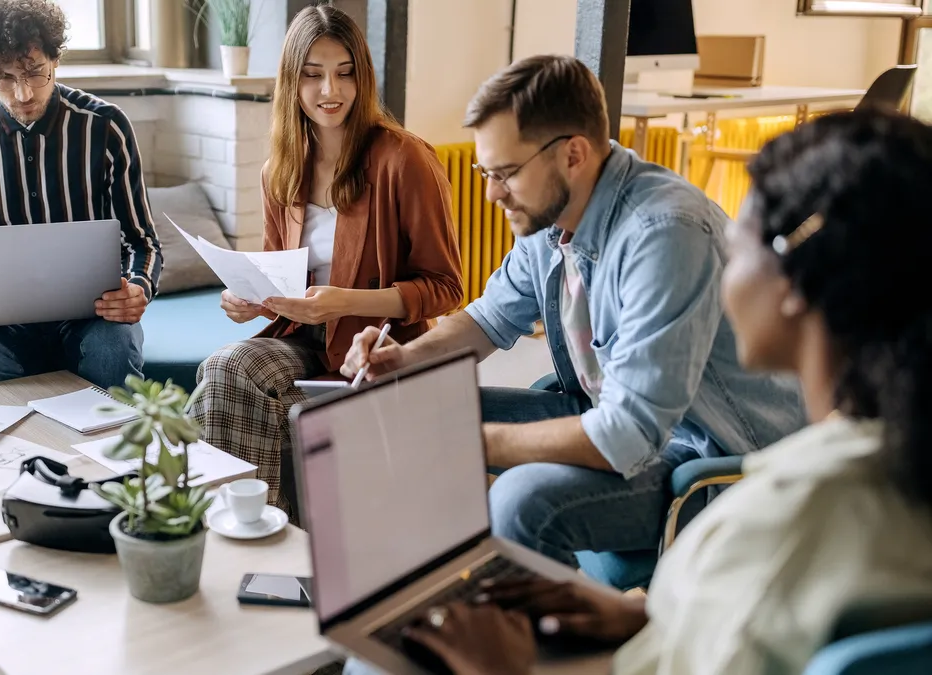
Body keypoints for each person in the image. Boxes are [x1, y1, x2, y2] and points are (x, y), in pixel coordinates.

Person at [349, 109, 932, 675]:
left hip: (680, 441)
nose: (721, 267)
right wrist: (645, 615)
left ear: (795, 283)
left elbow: (632, 435)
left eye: (739, 242)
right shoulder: (878, 472)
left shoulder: (782, 522)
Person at [342, 54, 805, 566]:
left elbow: (630, 434)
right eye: (486, 172)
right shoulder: (548, 218)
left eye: (506, 173)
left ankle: (548, 635)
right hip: (610, 416)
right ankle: (422, 588)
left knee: (521, 502)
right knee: (410, 408)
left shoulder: (664, 234)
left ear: (573, 155)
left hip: (707, 458)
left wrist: (474, 444)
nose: (492, 192)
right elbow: (487, 320)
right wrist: (401, 359)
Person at [190, 5, 464, 515]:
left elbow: (447, 287)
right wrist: (253, 299)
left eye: (344, 73)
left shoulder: (404, 160)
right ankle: (248, 535)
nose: (329, 91)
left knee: (237, 396)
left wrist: (344, 302)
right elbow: (283, 281)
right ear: (291, 82)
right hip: (305, 343)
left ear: (363, 77)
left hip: (373, 353)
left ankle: (271, 536)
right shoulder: (281, 170)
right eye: (312, 75)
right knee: (226, 368)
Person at [0, 0, 160, 390]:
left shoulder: (106, 127)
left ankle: (103, 450)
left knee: (113, 348)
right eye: (4, 77)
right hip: (0, 324)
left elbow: (143, 241)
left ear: (56, 58)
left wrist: (138, 288)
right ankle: (18, 453)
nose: (23, 93)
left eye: (35, 72)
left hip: (92, 315)